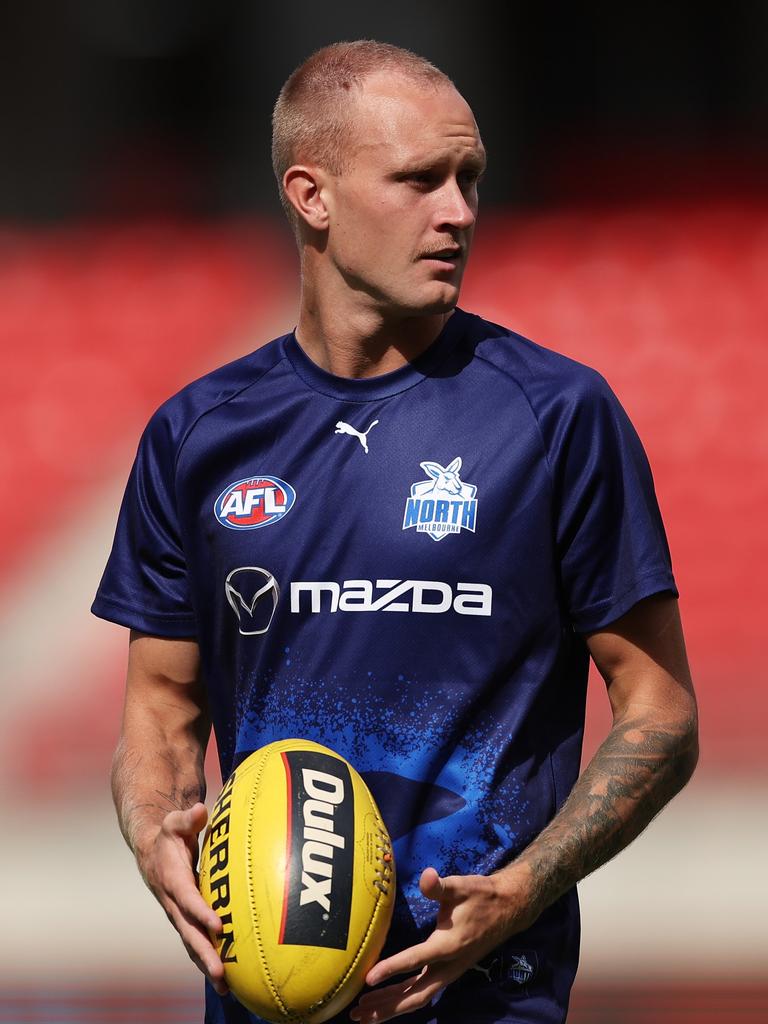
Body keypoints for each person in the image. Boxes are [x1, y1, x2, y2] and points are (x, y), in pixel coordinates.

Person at [92, 39, 698, 1024]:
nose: (458, 211)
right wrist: (158, 830)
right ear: (311, 195)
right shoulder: (197, 433)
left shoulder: (558, 416)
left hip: (490, 996)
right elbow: (160, 706)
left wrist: (527, 884)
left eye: (469, 179)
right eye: (420, 179)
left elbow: (661, 714)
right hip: (264, 995)